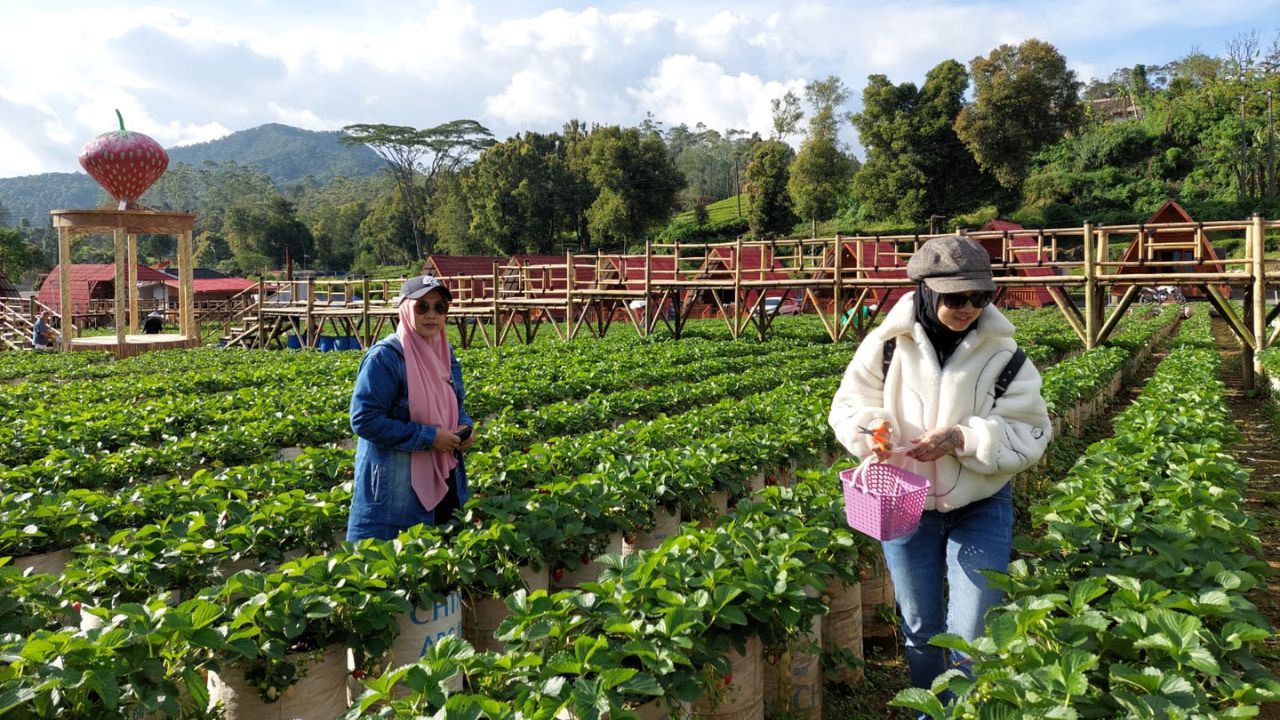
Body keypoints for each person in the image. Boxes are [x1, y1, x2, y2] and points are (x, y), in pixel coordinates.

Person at [828, 235, 1052, 697]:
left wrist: (963, 439)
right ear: (925, 290)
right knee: (920, 622)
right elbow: (850, 405)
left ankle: (965, 709)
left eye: (980, 296)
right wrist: (874, 429)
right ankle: (931, 708)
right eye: (955, 297)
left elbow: (1031, 430)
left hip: (981, 502)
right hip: (903, 502)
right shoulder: (886, 346)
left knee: (973, 626)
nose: (967, 306)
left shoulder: (1005, 355)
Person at [347, 275, 475, 541]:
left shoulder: (446, 354)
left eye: (440, 307)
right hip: (397, 489)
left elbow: (455, 406)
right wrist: (429, 438)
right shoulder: (385, 358)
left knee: (437, 565)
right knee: (390, 568)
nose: (432, 315)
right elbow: (364, 419)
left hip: (446, 479)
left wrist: (465, 426)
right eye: (422, 306)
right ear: (405, 309)